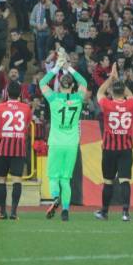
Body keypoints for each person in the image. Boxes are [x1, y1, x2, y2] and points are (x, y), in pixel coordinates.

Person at [40, 50, 89, 222]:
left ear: (60, 85)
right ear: (72, 86)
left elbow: (42, 83)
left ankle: (55, 198)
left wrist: (56, 68)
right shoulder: (78, 98)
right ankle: (66, 210)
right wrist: (70, 68)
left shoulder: (53, 98)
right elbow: (84, 82)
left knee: (54, 176)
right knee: (66, 179)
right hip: (71, 143)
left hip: (55, 142)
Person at [95, 63, 133, 221]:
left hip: (109, 148)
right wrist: (118, 79)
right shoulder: (131, 104)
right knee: (125, 180)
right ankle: (125, 213)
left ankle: (104, 212)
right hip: (126, 149)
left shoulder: (107, 104)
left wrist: (110, 79)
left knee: (108, 181)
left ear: (112, 92)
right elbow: (131, 94)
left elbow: (99, 92)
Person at [0, 80, 32, 220]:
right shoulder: (26, 108)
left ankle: (2, 212)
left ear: (7, 93)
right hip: (18, 148)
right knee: (17, 181)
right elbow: (26, 125)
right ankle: (14, 212)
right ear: (20, 93)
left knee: (1, 180)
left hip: (3, 148)